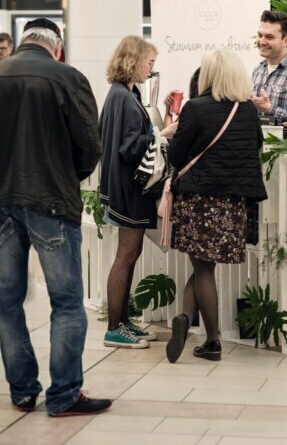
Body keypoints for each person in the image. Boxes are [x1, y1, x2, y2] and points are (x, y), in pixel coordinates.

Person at [0, 18, 111, 417]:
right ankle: (64, 395)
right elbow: (90, 145)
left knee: (7, 302)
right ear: (57, 46)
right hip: (52, 200)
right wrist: (66, 175)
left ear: (23, 42)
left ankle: (22, 391)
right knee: (67, 301)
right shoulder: (67, 77)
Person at [165, 49, 267, 364]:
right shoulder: (248, 111)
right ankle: (185, 316)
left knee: (203, 268)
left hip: (198, 200)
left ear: (209, 75)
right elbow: (256, 146)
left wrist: (170, 131)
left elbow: (176, 157)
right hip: (232, 202)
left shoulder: (195, 108)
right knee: (205, 267)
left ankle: (212, 341)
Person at [99, 36, 176, 349]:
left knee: (129, 256)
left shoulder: (123, 94)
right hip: (127, 193)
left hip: (123, 190)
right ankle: (115, 328)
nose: (151, 68)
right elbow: (131, 149)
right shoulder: (124, 97)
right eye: (149, 62)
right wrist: (163, 135)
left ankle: (123, 322)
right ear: (133, 61)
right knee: (125, 257)